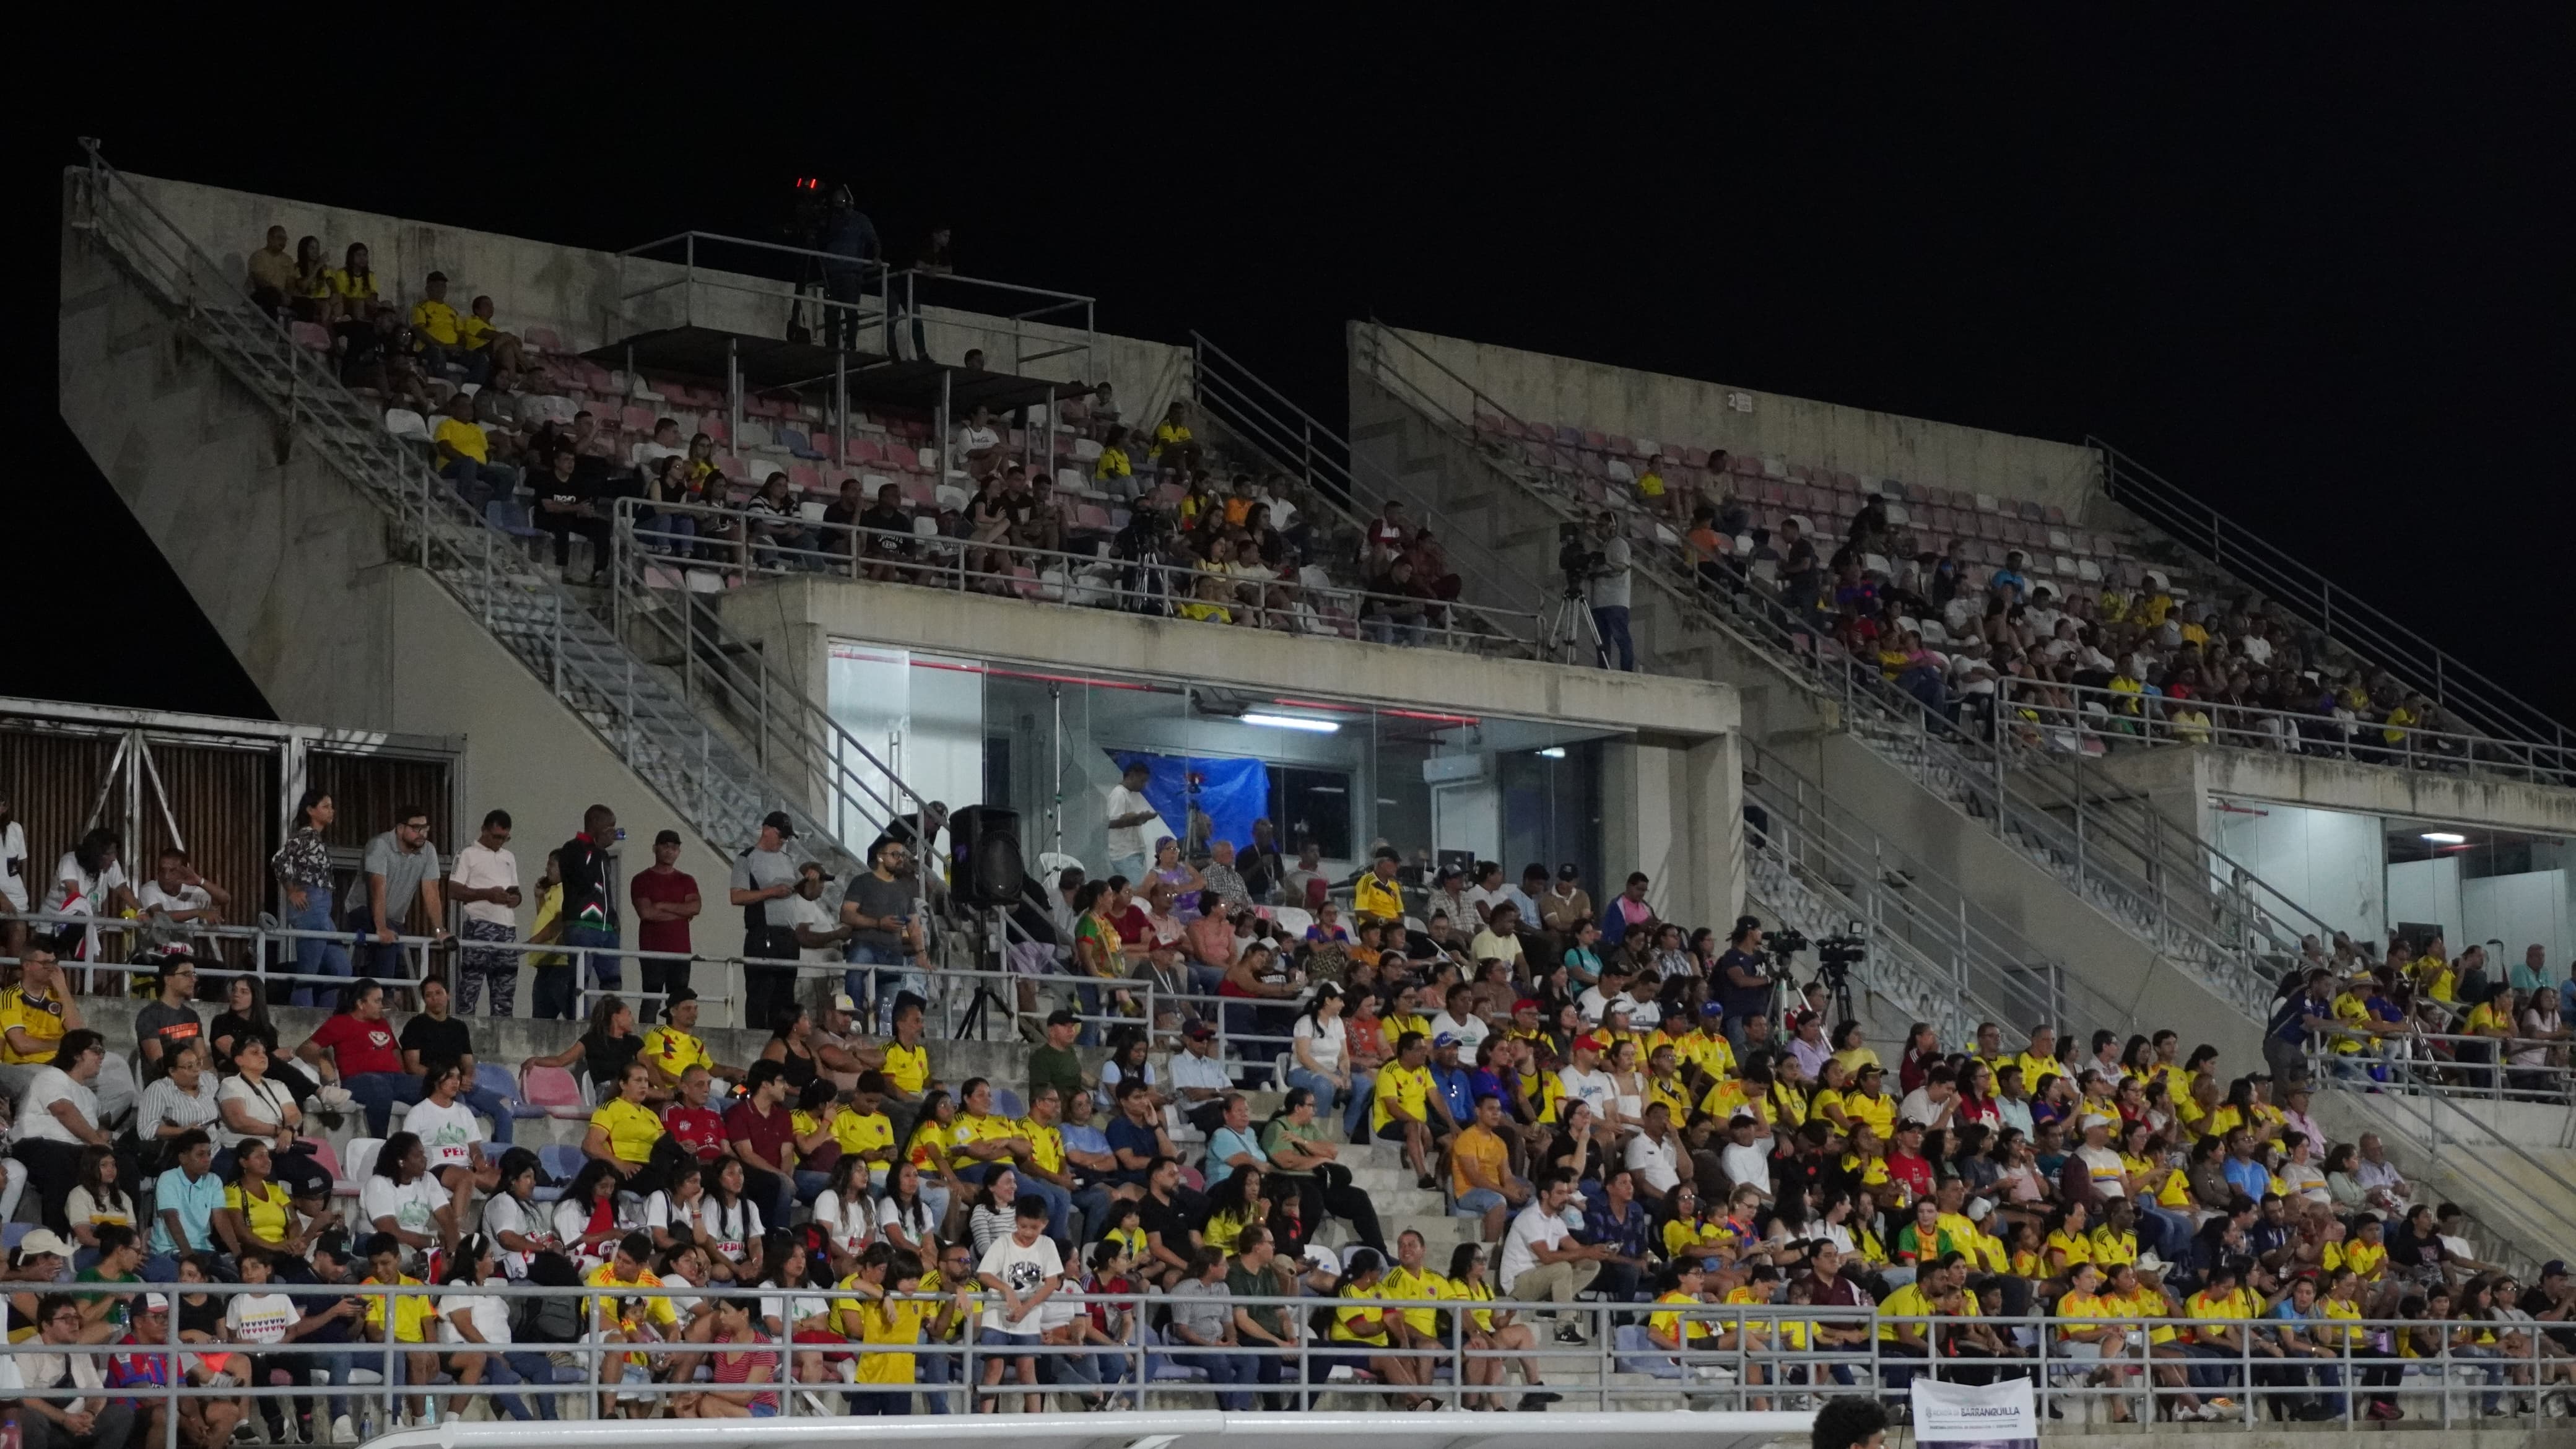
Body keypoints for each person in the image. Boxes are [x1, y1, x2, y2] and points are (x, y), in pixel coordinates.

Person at [972, 1194, 1063, 1414]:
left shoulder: (1047, 1245)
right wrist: (1006, 1289)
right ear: (1016, 1221)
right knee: (994, 1368)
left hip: (1029, 1315)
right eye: (1024, 1227)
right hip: (997, 1315)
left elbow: (1051, 1283)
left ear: (1045, 1224)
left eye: (1035, 1228)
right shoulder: (1003, 1243)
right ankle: (983, 1421)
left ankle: (1035, 1423)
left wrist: (1026, 1308)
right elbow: (984, 1274)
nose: (1029, 1233)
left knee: (1027, 1369)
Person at [14, 1032, 111, 1234]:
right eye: (96, 1051)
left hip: (76, 1148)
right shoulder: (51, 1076)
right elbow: (63, 1110)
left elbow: (99, 1126)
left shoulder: (89, 1095)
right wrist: (97, 1141)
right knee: (61, 1163)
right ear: (77, 1054)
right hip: (39, 1144)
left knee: (124, 1163)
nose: (101, 1056)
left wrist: (103, 1137)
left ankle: (119, 1238)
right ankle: (56, 1239)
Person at [296, 979, 419, 1137]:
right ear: (361, 1003)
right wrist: (322, 1061)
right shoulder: (340, 1022)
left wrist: (403, 1076)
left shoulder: (382, 1023)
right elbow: (304, 1049)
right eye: (377, 1001)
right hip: (360, 1080)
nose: (382, 1005)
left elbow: (395, 1052)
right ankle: (379, 1142)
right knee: (379, 1087)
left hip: (394, 1079)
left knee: (434, 1085)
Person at [355, 806, 449, 981]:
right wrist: (381, 927)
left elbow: (431, 892)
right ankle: (384, 996)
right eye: (416, 828)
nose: (422, 833)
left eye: (425, 828)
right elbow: (377, 889)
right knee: (389, 946)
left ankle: (388, 996)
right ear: (400, 829)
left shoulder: (428, 851)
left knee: (398, 960)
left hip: (394, 920)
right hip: (362, 910)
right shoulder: (379, 845)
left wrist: (439, 930)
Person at [729, 812, 803, 1031]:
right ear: (766, 830)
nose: (783, 842)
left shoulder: (788, 860)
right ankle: (758, 1038)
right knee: (761, 994)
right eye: (781, 836)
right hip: (763, 933)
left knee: (785, 994)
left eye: (787, 839)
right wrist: (771, 892)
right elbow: (737, 896)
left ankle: (783, 1040)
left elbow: (802, 891)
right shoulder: (747, 858)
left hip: (788, 935)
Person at [447, 809, 523, 1018]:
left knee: (505, 989)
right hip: (480, 924)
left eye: (504, 838)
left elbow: (516, 891)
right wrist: (486, 895)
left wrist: (515, 899)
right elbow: (453, 890)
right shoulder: (467, 854)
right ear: (484, 830)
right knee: (471, 984)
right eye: (496, 836)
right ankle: (465, 1031)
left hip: (507, 928)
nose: (500, 842)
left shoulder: (509, 857)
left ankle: (502, 1032)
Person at [627, 830, 700, 1020]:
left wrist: (662, 905)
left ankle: (676, 1044)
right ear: (655, 848)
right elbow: (646, 913)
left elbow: (695, 906)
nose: (670, 852)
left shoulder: (687, 880)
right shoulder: (641, 879)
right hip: (653, 950)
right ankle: (646, 1044)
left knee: (679, 1002)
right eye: (665, 846)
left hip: (681, 951)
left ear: (679, 851)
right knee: (651, 998)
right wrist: (681, 914)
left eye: (674, 848)